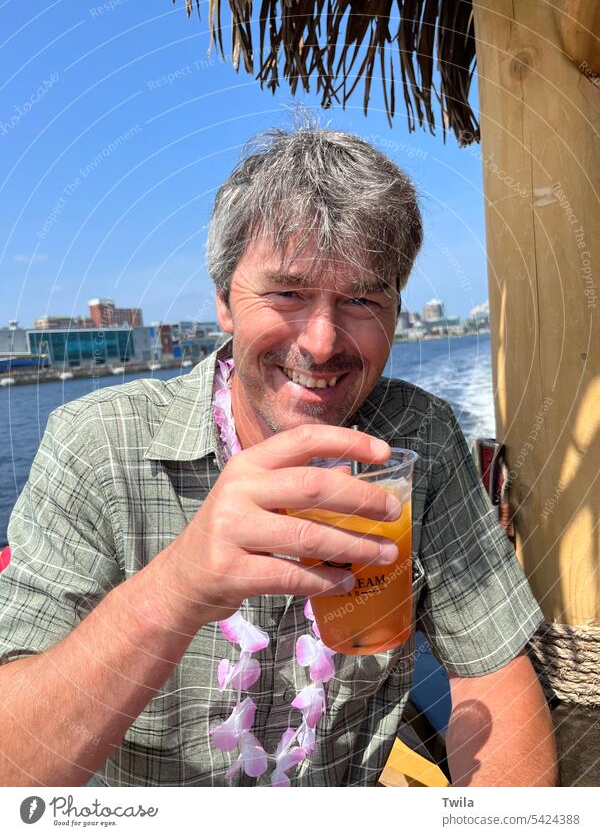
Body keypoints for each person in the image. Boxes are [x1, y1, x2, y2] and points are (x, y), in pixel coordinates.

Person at [0, 125, 556, 787]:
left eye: (360, 299)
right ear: (224, 299)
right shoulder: (95, 445)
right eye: (287, 293)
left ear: (396, 310)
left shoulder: (421, 438)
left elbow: (492, 672)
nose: (321, 342)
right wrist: (174, 591)